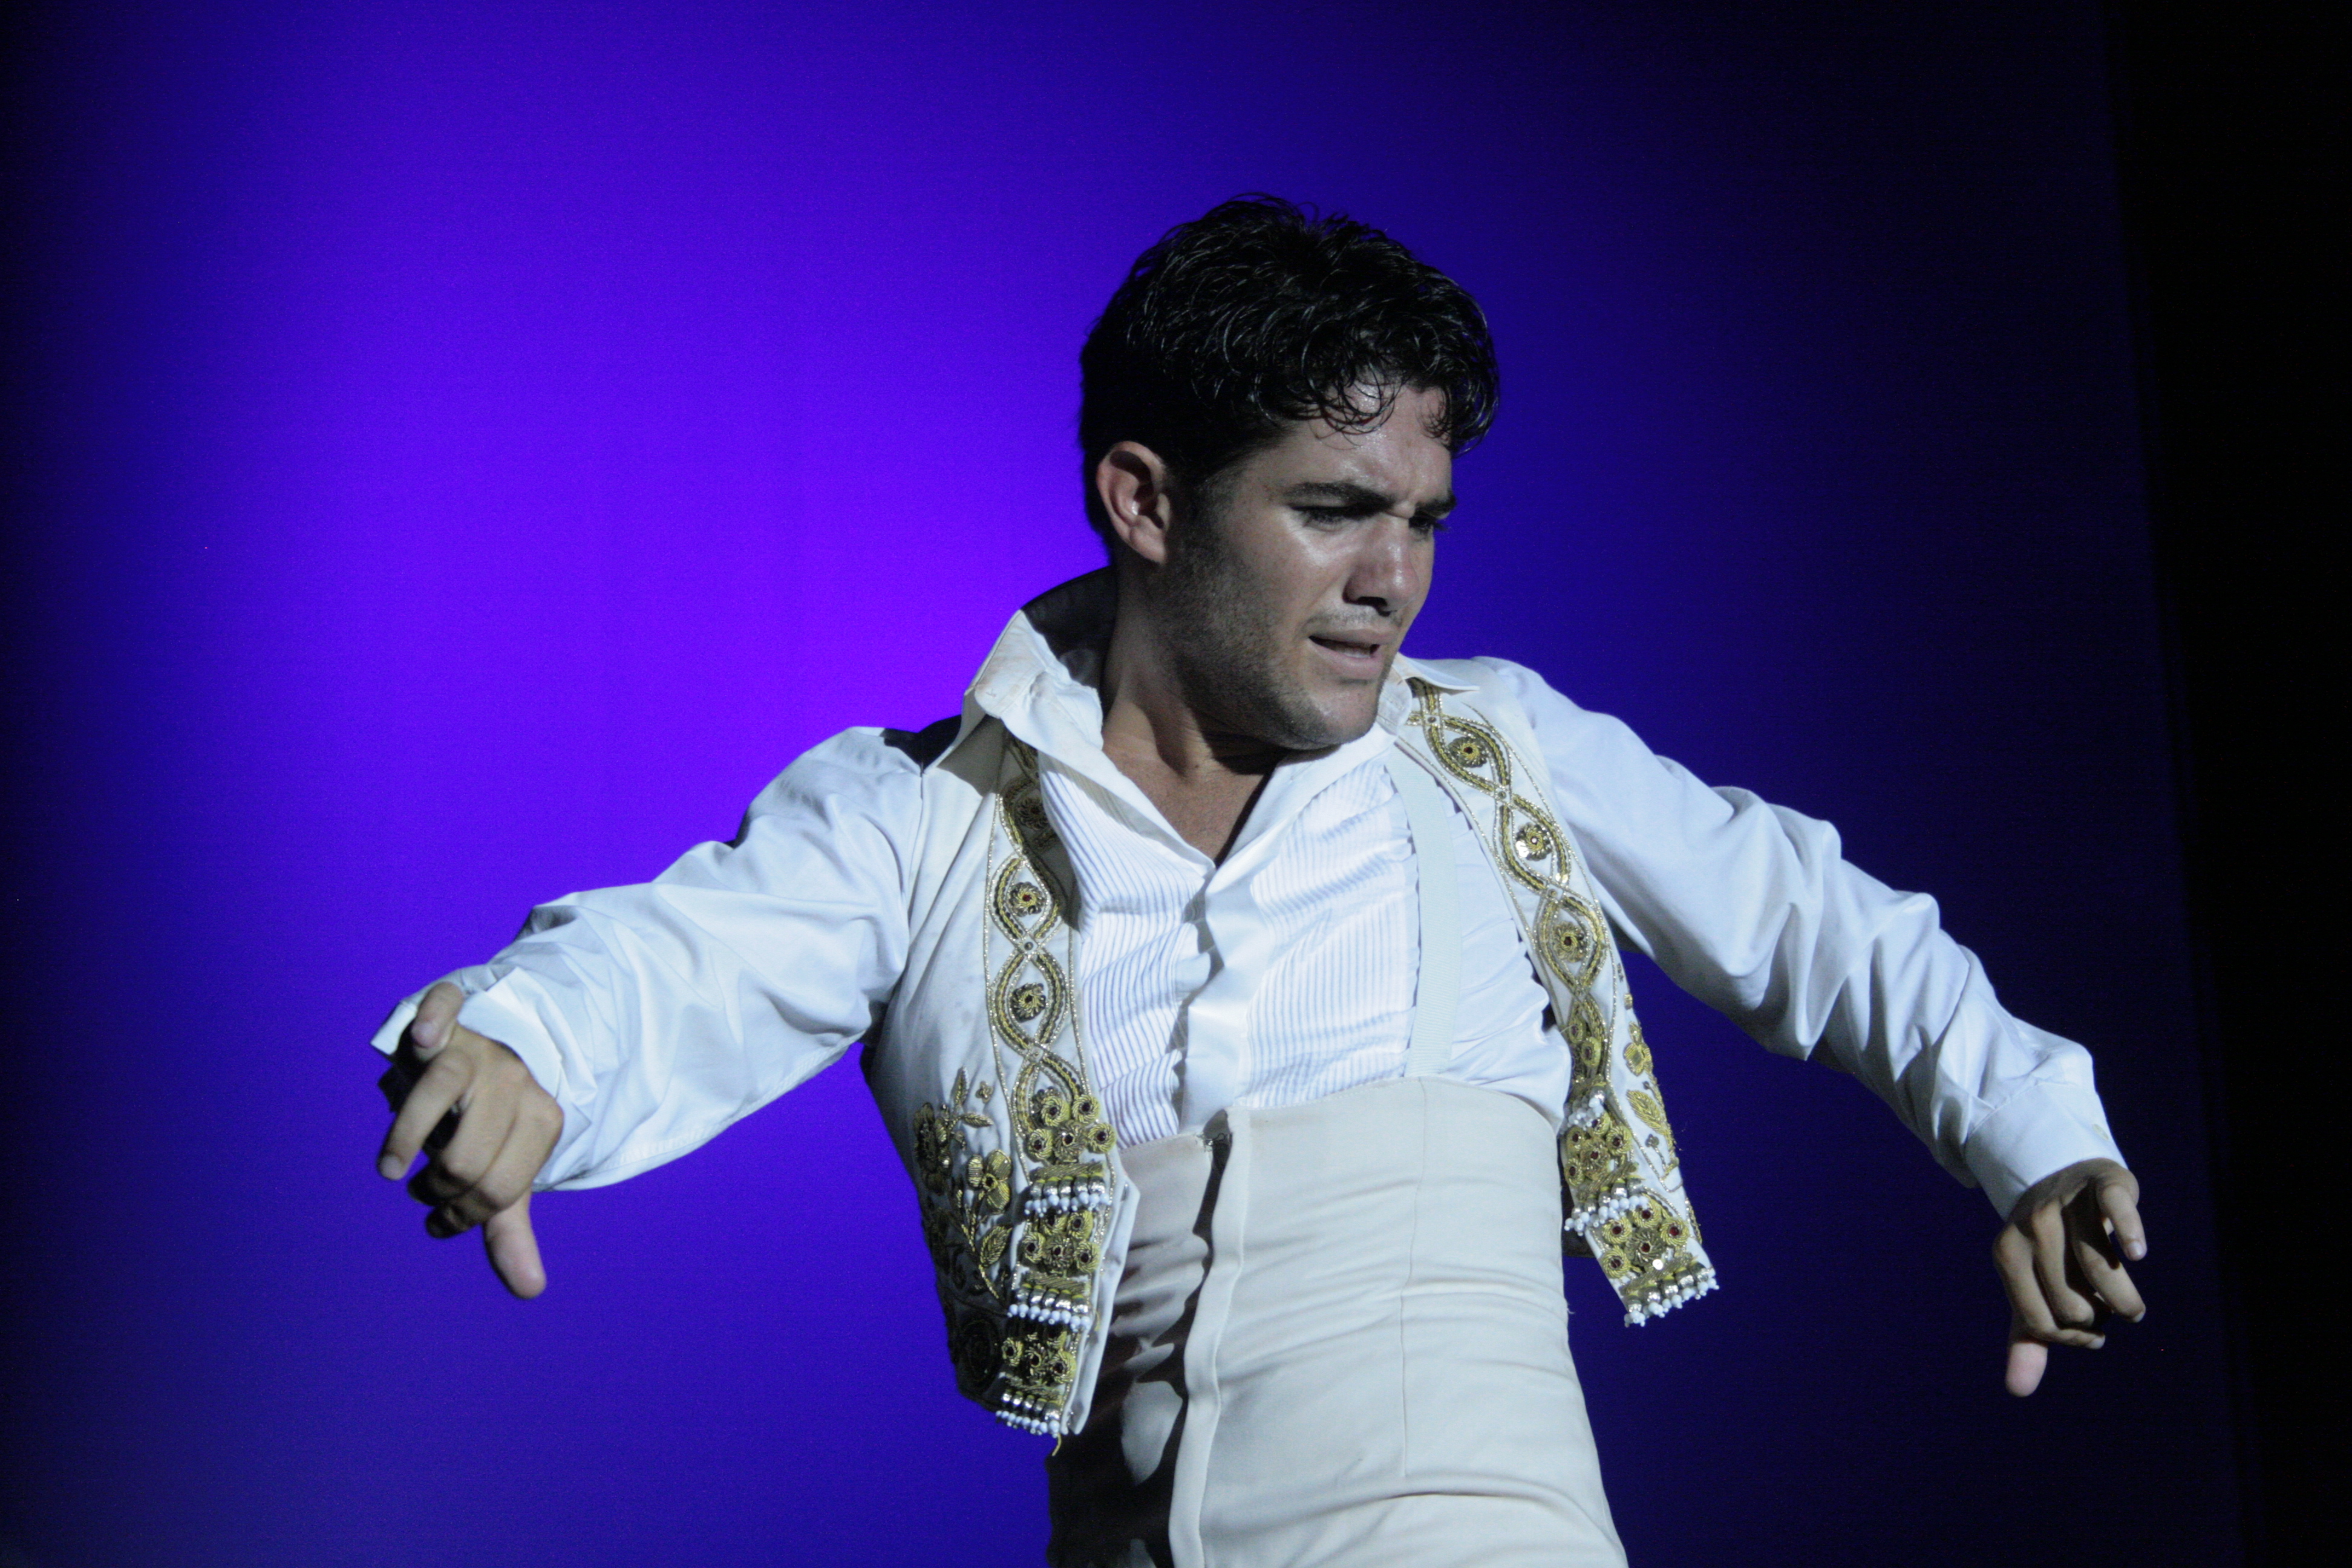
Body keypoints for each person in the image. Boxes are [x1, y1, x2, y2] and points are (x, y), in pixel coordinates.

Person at [371, 196, 2146, 1566]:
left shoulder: (1498, 755)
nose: (1394, 579)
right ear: (1144, 502)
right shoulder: (924, 819)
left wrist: (2036, 1132)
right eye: (1332, 509)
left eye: (1423, 519)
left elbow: (1818, 923)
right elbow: (682, 959)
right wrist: (526, 1049)